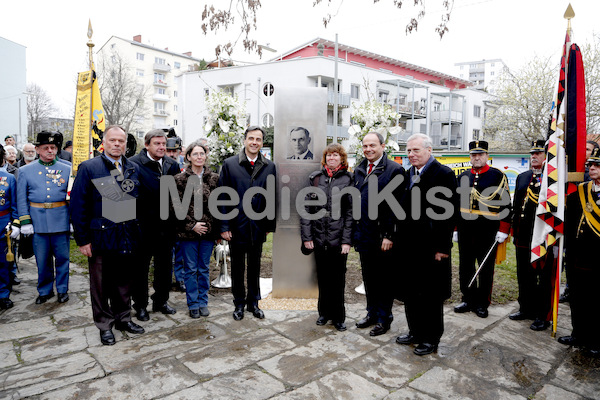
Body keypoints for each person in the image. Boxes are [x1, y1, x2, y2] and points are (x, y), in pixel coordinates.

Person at [70, 125, 145, 345]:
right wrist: (83, 240)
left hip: (126, 235)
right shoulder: (90, 167)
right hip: (100, 236)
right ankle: (104, 325)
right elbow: (78, 206)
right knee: (101, 284)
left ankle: (123, 318)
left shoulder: (132, 168)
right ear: (105, 142)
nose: (117, 144)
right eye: (112, 140)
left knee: (124, 281)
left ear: (125, 143)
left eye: (121, 141)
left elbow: (135, 203)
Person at [396, 133, 457, 355]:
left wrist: (442, 248)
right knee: (411, 292)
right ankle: (415, 332)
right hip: (408, 247)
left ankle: (431, 339)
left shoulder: (443, 174)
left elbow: (448, 215)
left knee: (430, 295)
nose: (411, 155)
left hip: (431, 248)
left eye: (416, 150)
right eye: (409, 151)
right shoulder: (407, 174)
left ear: (429, 150)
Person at [219, 126, 276, 320]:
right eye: (251, 138)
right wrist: (224, 226)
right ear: (244, 140)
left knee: (255, 266)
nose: (254, 142)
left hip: (257, 226)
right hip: (236, 226)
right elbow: (222, 197)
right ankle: (239, 304)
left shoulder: (269, 166)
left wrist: (269, 225)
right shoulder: (229, 164)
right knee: (237, 267)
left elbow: (271, 197)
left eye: (258, 139)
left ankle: (254, 303)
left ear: (262, 143)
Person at [354, 132, 405, 336]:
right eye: (365, 146)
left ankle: (384, 319)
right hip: (364, 234)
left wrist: (389, 235)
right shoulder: (359, 169)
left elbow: (398, 207)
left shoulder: (395, 170)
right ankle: (371, 313)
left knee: (384, 280)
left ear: (383, 146)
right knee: (369, 278)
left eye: (372, 145)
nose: (368, 149)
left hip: (382, 236)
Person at [454, 140, 512, 318]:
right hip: (465, 228)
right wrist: (455, 228)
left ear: (487, 156)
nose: (476, 157)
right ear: (469, 157)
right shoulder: (462, 176)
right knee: (465, 265)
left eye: (480, 154)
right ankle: (468, 298)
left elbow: (506, 205)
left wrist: (503, 229)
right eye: (473, 154)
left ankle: (482, 302)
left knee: (485, 268)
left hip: (488, 229)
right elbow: (455, 204)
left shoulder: (497, 176)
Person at [300, 143, 353, 332]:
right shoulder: (315, 179)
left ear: (342, 158)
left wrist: (347, 241)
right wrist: (307, 237)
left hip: (338, 241)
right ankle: (324, 313)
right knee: (322, 277)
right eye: (328, 155)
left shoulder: (348, 179)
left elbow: (350, 212)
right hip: (318, 238)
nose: (331, 158)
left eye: (335, 155)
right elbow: (306, 209)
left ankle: (338, 317)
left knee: (337, 279)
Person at [129, 129, 181, 320]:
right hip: (142, 227)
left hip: (166, 228)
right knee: (140, 269)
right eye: (157, 144)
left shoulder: (172, 165)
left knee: (165, 267)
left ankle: (161, 301)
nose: (161, 147)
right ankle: (141, 305)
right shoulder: (133, 164)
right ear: (147, 145)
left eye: (163, 144)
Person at [17, 131, 71, 304]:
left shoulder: (67, 168)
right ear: (37, 149)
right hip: (38, 222)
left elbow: (72, 197)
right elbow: (21, 198)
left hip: (60, 219)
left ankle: (62, 289)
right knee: (42, 259)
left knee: (63, 258)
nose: (50, 151)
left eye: (53, 147)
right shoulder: (25, 171)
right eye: (46, 147)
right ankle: (45, 290)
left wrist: (72, 220)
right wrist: (25, 221)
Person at [558, 147, 600, 357]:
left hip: (597, 259)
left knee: (596, 300)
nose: (591, 168)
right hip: (577, 256)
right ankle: (578, 333)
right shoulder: (581, 191)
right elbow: (571, 221)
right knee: (577, 297)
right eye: (590, 165)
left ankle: (596, 339)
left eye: (596, 166)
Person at [509, 140, 553, 331]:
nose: (534, 156)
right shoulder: (523, 177)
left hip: (543, 238)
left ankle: (543, 315)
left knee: (543, 279)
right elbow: (517, 206)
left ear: (546, 156)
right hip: (523, 237)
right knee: (524, 275)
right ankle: (525, 308)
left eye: (538, 153)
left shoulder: (552, 179)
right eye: (532, 153)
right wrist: (514, 233)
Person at [174, 141, 219, 318]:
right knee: (190, 269)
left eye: (202, 154)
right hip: (188, 232)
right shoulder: (180, 179)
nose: (199, 157)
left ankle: (203, 301)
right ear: (188, 157)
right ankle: (192, 303)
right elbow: (175, 206)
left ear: (206, 156)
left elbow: (218, 204)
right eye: (195, 154)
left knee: (203, 267)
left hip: (208, 232)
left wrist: (211, 227)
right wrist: (192, 225)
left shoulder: (214, 178)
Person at [0, 144, 20, 310]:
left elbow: (14, 204)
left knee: (3, 263)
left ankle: (3, 294)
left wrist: (15, 223)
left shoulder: (8, 178)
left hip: (2, 226)